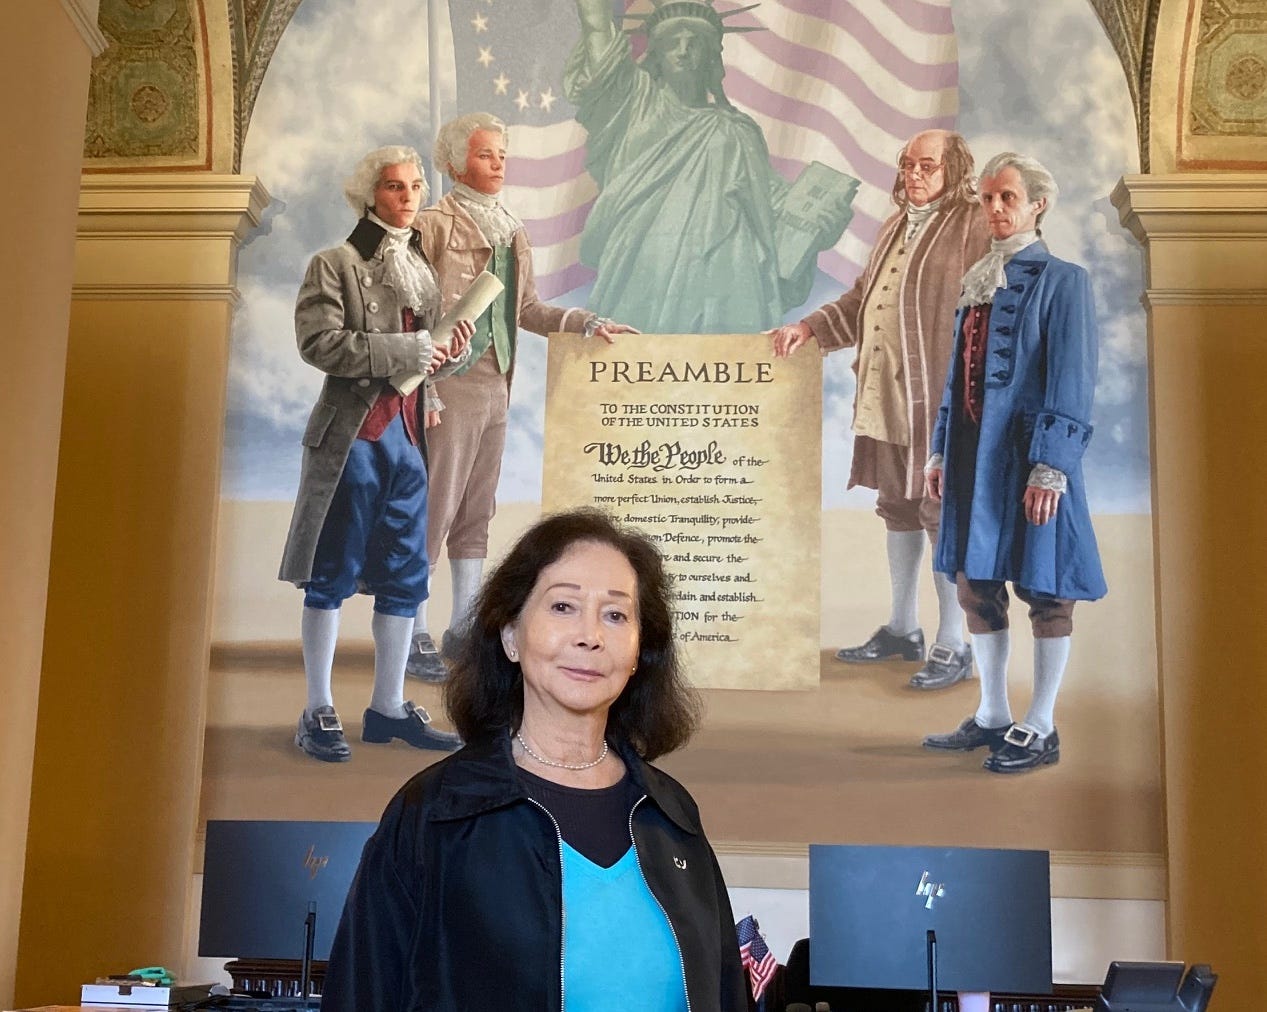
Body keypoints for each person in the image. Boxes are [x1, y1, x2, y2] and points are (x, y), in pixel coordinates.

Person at [323, 508, 748, 1011]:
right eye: (564, 607)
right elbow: (361, 993)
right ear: (510, 636)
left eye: (616, 615)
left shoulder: (672, 812)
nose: (590, 635)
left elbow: (725, 993)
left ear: (637, 653)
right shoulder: (435, 811)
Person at [406, 112, 637, 682]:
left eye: (503, 154)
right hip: (445, 386)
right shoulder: (432, 224)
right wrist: (425, 374)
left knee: (475, 511)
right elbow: (403, 307)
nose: (499, 163)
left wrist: (584, 322)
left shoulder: (511, 228)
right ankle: (411, 631)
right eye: (487, 154)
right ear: (457, 162)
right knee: (433, 510)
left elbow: (528, 309)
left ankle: (462, 625)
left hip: (495, 385)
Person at [772, 130, 990, 689]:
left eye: (927, 166)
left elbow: (997, 310)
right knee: (897, 505)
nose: (914, 175)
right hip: (886, 390)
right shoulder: (894, 224)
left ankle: (953, 642)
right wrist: (810, 327)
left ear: (955, 169)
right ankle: (901, 629)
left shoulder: (973, 224)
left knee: (941, 514)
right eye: (907, 165)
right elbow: (862, 298)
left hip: (941, 399)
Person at [277, 145, 475, 763]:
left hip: (409, 440)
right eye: (394, 187)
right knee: (331, 573)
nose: (409, 196)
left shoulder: (420, 265)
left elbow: (427, 358)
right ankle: (318, 708)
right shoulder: (333, 263)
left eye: (416, 185)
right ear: (370, 195)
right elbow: (319, 344)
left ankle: (388, 707)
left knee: (406, 577)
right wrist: (403, 351)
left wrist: (454, 351)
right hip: (352, 442)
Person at [922, 152, 1106, 773]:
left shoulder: (1065, 280)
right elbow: (956, 381)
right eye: (986, 198)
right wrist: (940, 448)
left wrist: (1050, 465)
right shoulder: (977, 278)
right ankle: (994, 714)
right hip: (975, 462)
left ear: (1037, 204)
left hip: (1030, 460)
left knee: (1046, 589)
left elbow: (1073, 381)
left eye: (1007, 198)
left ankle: (1043, 723)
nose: (995, 209)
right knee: (976, 585)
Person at [565, 0, 856, 333]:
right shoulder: (633, 103)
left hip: (727, 271)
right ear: (656, 54)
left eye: (695, 43)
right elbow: (597, 25)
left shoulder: (736, 130)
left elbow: (767, 202)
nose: (684, 51)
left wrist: (817, 220)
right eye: (672, 43)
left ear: (712, 58)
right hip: (645, 264)